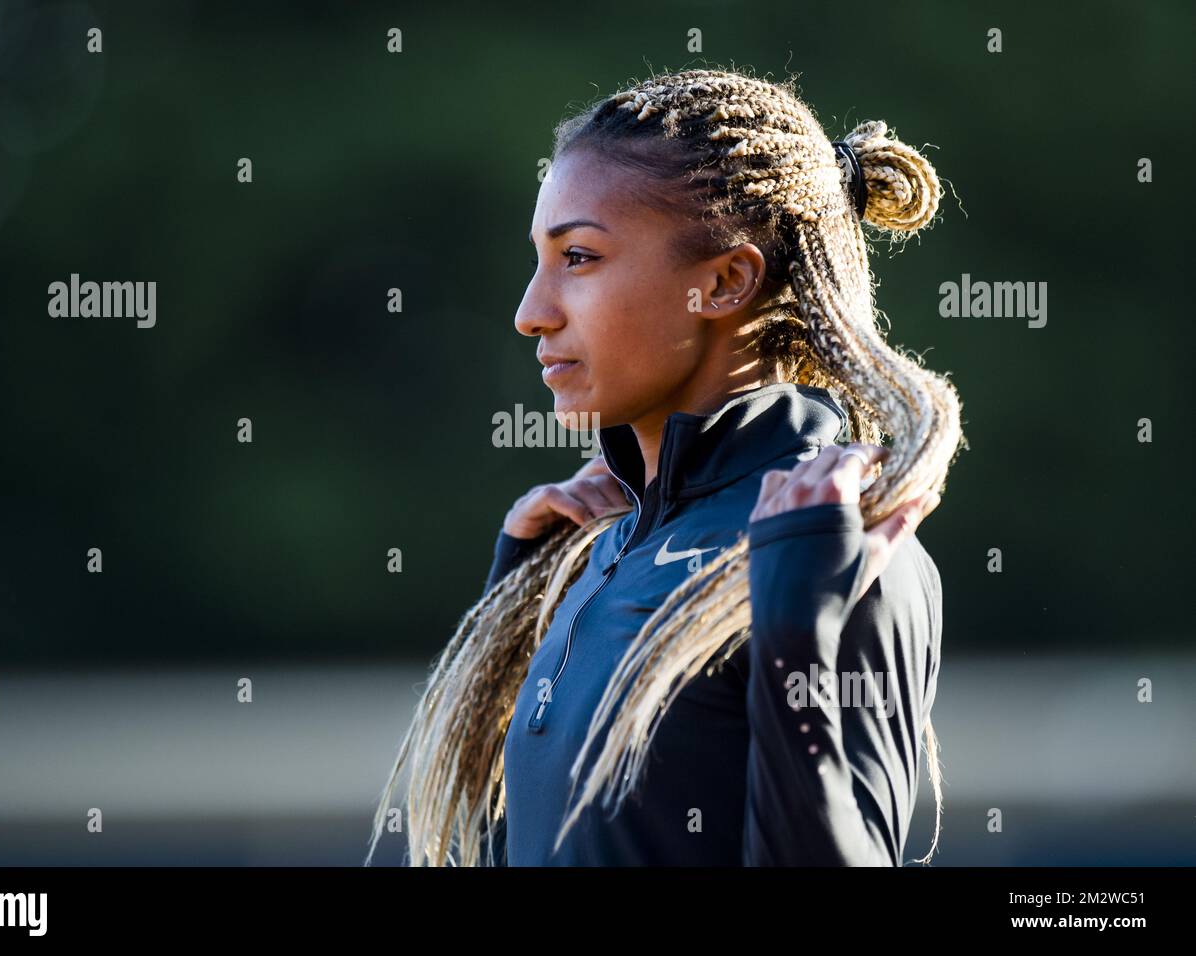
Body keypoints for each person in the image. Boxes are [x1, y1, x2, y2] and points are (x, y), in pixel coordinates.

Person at [366, 65, 965, 866]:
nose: (530, 312)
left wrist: (795, 624)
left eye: (577, 257)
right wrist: (516, 597)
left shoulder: (835, 548)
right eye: (541, 261)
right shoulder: (603, 553)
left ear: (724, 281)